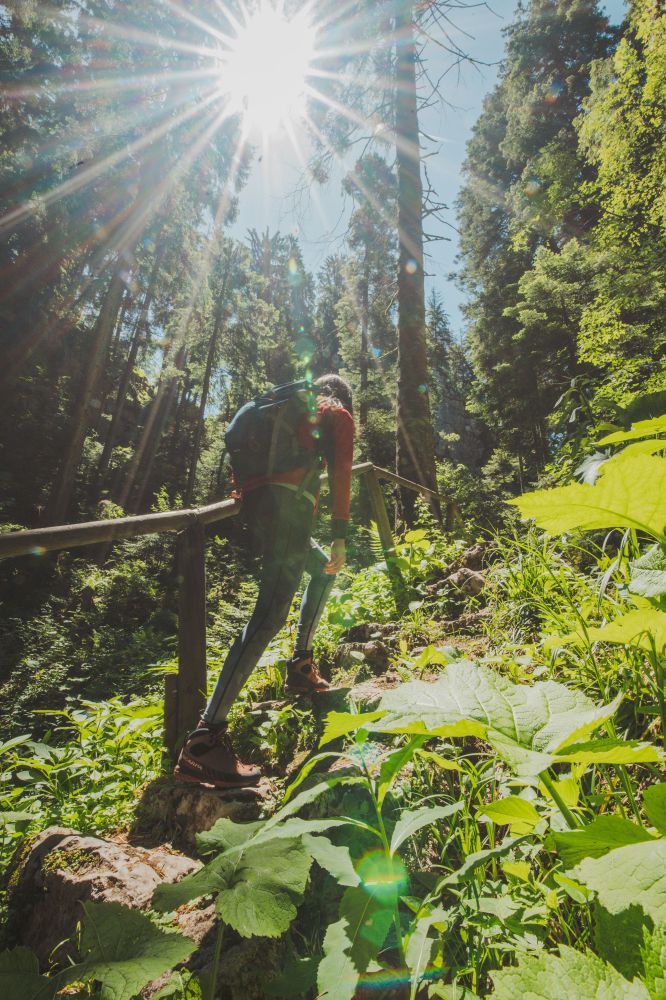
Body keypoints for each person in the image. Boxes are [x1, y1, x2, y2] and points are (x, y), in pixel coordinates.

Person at [174, 374, 355, 788]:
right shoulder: (336, 413)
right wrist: (341, 534)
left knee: (321, 569)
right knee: (270, 614)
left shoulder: (281, 411)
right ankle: (203, 741)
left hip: (260, 509)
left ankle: (301, 666)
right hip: (289, 510)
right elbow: (342, 472)